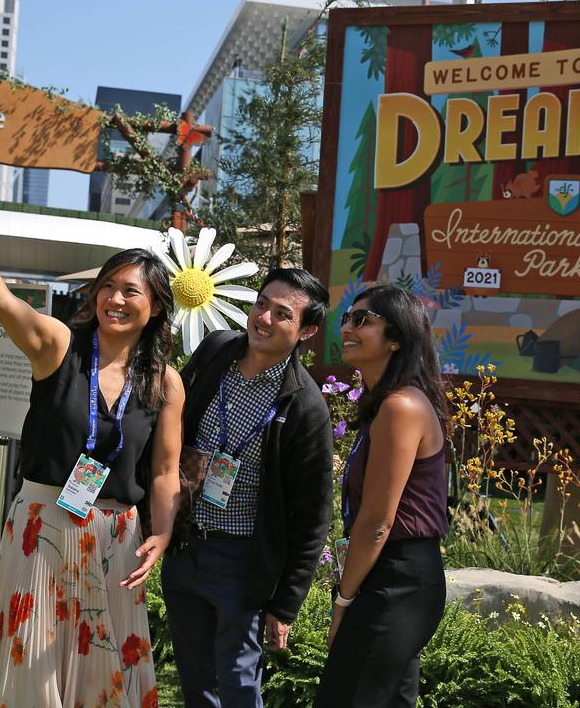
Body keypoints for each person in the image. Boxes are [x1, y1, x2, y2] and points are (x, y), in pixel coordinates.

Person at [0, 210, 182, 708]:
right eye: (108, 287)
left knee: (107, 662)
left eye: (131, 291)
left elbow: (166, 471)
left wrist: (163, 532)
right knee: (33, 657)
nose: (115, 299)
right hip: (42, 527)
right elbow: (4, 304)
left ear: (156, 307)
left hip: (116, 538)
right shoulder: (60, 346)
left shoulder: (164, 381)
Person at [161, 267, 334, 708]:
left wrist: (286, 605)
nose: (264, 319)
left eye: (282, 314)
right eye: (261, 304)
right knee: (195, 680)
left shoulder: (304, 407)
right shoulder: (218, 350)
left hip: (240, 562)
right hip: (185, 546)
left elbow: (314, 517)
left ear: (306, 331)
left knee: (238, 683)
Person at [314, 284, 451, 708]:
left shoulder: (401, 407)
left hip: (398, 581)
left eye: (363, 320)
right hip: (393, 578)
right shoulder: (386, 405)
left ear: (396, 338)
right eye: (347, 319)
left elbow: (377, 523)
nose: (348, 328)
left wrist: (343, 602)